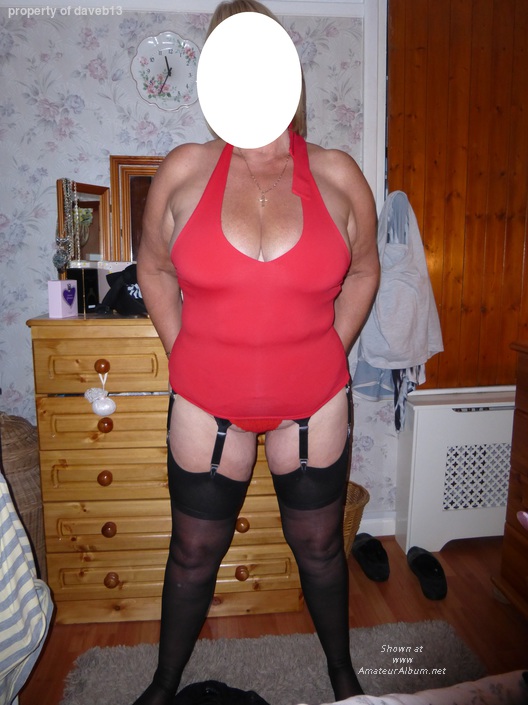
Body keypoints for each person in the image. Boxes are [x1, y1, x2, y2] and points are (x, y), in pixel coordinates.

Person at [133, 2, 379, 703]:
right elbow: (152, 266)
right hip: (206, 404)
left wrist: (331, 348)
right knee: (192, 553)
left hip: (314, 405)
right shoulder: (184, 169)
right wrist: (183, 349)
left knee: (322, 548)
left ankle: (343, 677)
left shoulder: (337, 173)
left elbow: (366, 270)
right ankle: (163, 684)